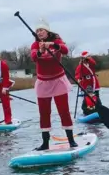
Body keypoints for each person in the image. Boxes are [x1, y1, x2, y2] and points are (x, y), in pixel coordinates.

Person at [31, 19, 77, 150]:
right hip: (43, 83)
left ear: (47, 31)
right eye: (37, 31)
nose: (39, 32)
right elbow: (34, 57)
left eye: (41, 30)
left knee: (64, 111)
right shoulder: (35, 45)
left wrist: (52, 45)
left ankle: (71, 140)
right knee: (44, 113)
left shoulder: (56, 41)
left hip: (58, 81)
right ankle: (45, 143)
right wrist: (40, 50)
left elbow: (65, 50)